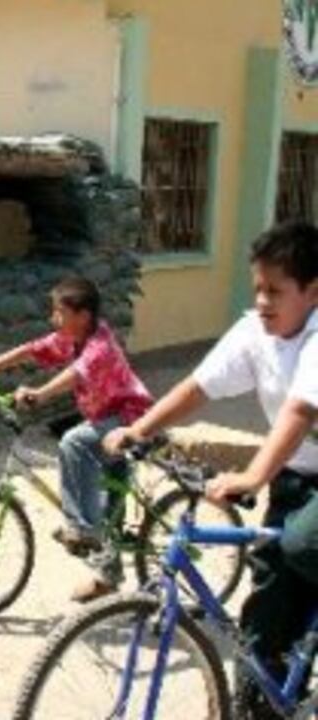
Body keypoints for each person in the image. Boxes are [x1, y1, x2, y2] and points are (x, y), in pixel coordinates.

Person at [104, 221, 318, 719]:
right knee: (266, 607)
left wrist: (251, 477)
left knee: (301, 545)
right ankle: (258, 706)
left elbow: (300, 412)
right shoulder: (255, 331)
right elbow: (199, 387)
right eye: (257, 288)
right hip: (296, 478)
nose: (262, 300)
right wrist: (143, 429)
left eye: (275, 291)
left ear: (313, 291)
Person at [0, 276, 153, 603]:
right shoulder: (74, 337)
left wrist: (40, 393)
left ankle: (81, 528)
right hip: (105, 420)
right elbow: (33, 349)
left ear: (82, 315)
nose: (54, 319)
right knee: (108, 503)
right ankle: (108, 575)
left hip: (130, 420)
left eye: (59, 312)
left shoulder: (100, 346)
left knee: (73, 443)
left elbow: (77, 374)